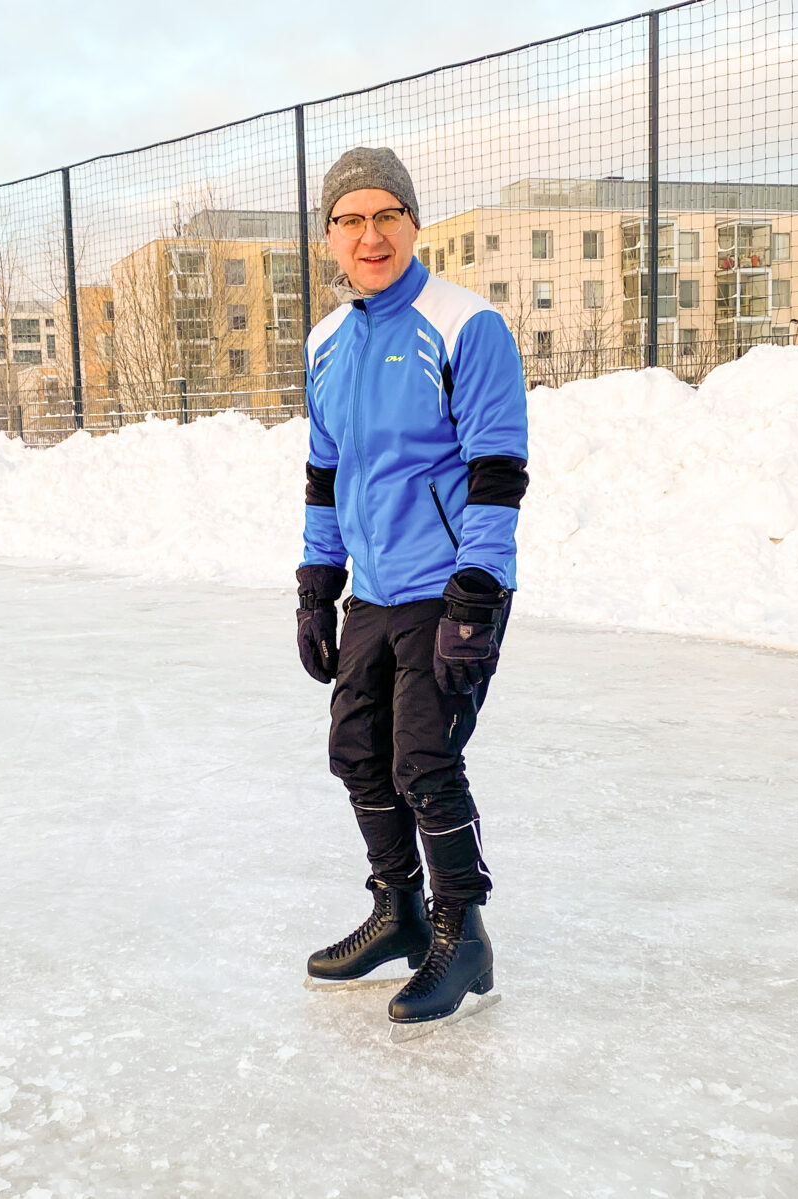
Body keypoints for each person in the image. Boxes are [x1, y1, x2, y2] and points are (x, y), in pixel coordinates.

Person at [295, 146, 529, 1030]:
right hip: (375, 590)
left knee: (425, 761)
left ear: (413, 222)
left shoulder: (466, 325)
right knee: (357, 752)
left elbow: (498, 470)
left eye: (385, 214)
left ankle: (459, 933)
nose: (369, 234)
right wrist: (319, 583)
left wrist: (477, 597)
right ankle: (395, 911)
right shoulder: (325, 340)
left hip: (450, 583)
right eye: (349, 219)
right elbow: (325, 472)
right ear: (330, 237)